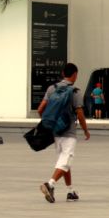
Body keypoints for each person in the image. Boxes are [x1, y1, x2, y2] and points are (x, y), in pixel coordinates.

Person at [37, 63, 90, 203]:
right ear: (75, 75)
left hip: (56, 132)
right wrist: (85, 130)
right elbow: (80, 114)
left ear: (62, 74)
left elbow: (40, 109)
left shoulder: (51, 89)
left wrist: (47, 123)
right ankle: (50, 184)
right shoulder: (75, 91)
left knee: (64, 162)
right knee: (65, 161)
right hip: (69, 132)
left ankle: (70, 191)